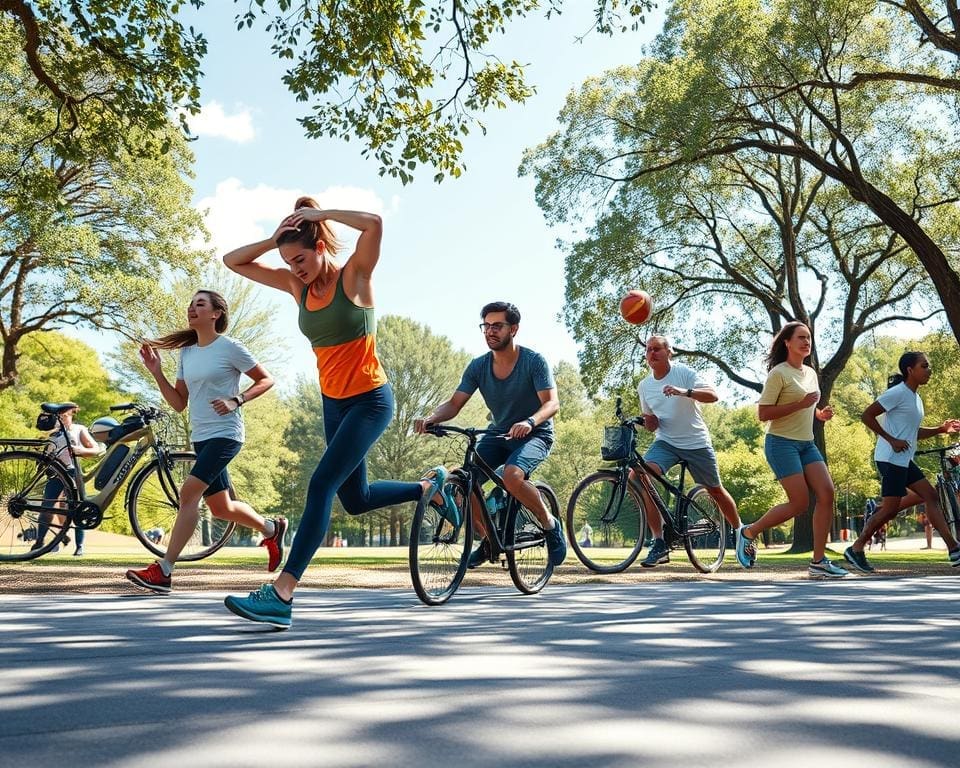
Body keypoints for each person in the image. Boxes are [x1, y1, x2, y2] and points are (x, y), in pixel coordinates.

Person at [221, 199, 439, 628]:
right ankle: (426, 489)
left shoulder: (355, 277)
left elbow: (374, 224)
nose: (295, 267)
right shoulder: (296, 287)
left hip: (371, 400)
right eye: (288, 261)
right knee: (354, 500)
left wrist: (322, 216)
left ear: (320, 246)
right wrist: (275, 239)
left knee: (321, 483)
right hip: (333, 404)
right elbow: (233, 261)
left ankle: (282, 593)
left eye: (300, 258)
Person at [125, 290, 286, 594]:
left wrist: (236, 399)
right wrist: (157, 372)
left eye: (200, 304)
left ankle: (164, 570)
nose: (192, 308)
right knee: (221, 508)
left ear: (216, 314)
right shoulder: (187, 353)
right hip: (201, 436)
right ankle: (271, 528)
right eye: (191, 304)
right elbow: (178, 403)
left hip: (226, 435)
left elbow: (266, 379)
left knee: (188, 495)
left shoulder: (230, 348)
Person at [413, 301, 566, 569]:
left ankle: (549, 523)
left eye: (497, 326)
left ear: (514, 329)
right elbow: (454, 403)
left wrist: (530, 422)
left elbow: (551, 404)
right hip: (498, 435)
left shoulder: (533, 361)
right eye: (486, 325)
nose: (490, 331)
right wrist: (431, 418)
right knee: (466, 480)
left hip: (535, 434)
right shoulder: (478, 367)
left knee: (512, 476)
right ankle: (488, 541)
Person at [735, 322, 848, 577]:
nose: (806, 342)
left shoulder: (810, 373)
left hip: (807, 443)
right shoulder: (779, 373)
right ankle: (749, 532)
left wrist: (819, 414)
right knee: (799, 503)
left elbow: (809, 407)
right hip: (781, 443)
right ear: (787, 342)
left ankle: (818, 562)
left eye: (808, 338)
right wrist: (800, 404)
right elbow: (763, 414)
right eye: (801, 337)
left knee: (827, 493)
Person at [631, 335, 746, 567]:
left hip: (696, 443)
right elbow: (652, 422)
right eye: (648, 350)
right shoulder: (645, 386)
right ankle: (660, 541)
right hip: (666, 442)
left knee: (715, 490)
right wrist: (646, 422)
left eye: (657, 349)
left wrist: (684, 392)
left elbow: (713, 395)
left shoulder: (684, 373)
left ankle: (742, 533)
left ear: (669, 352)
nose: (652, 353)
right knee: (638, 476)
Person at [844, 352, 960, 573]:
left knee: (931, 496)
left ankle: (954, 548)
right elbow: (867, 415)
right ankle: (856, 548)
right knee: (890, 510)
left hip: (903, 459)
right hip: (890, 459)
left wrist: (941, 429)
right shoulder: (897, 393)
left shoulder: (915, 398)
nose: (929, 370)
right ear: (910, 370)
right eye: (924, 366)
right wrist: (891, 439)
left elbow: (912, 433)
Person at [31, 403, 102, 555]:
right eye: (60, 415)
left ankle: (79, 546)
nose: (63, 418)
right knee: (47, 507)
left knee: (76, 507)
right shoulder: (53, 433)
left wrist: (80, 450)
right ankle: (40, 541)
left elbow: (95, 449)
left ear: (72, 414)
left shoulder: (79, 429)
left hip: (72, 471)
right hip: (55, 474)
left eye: (66, 415)